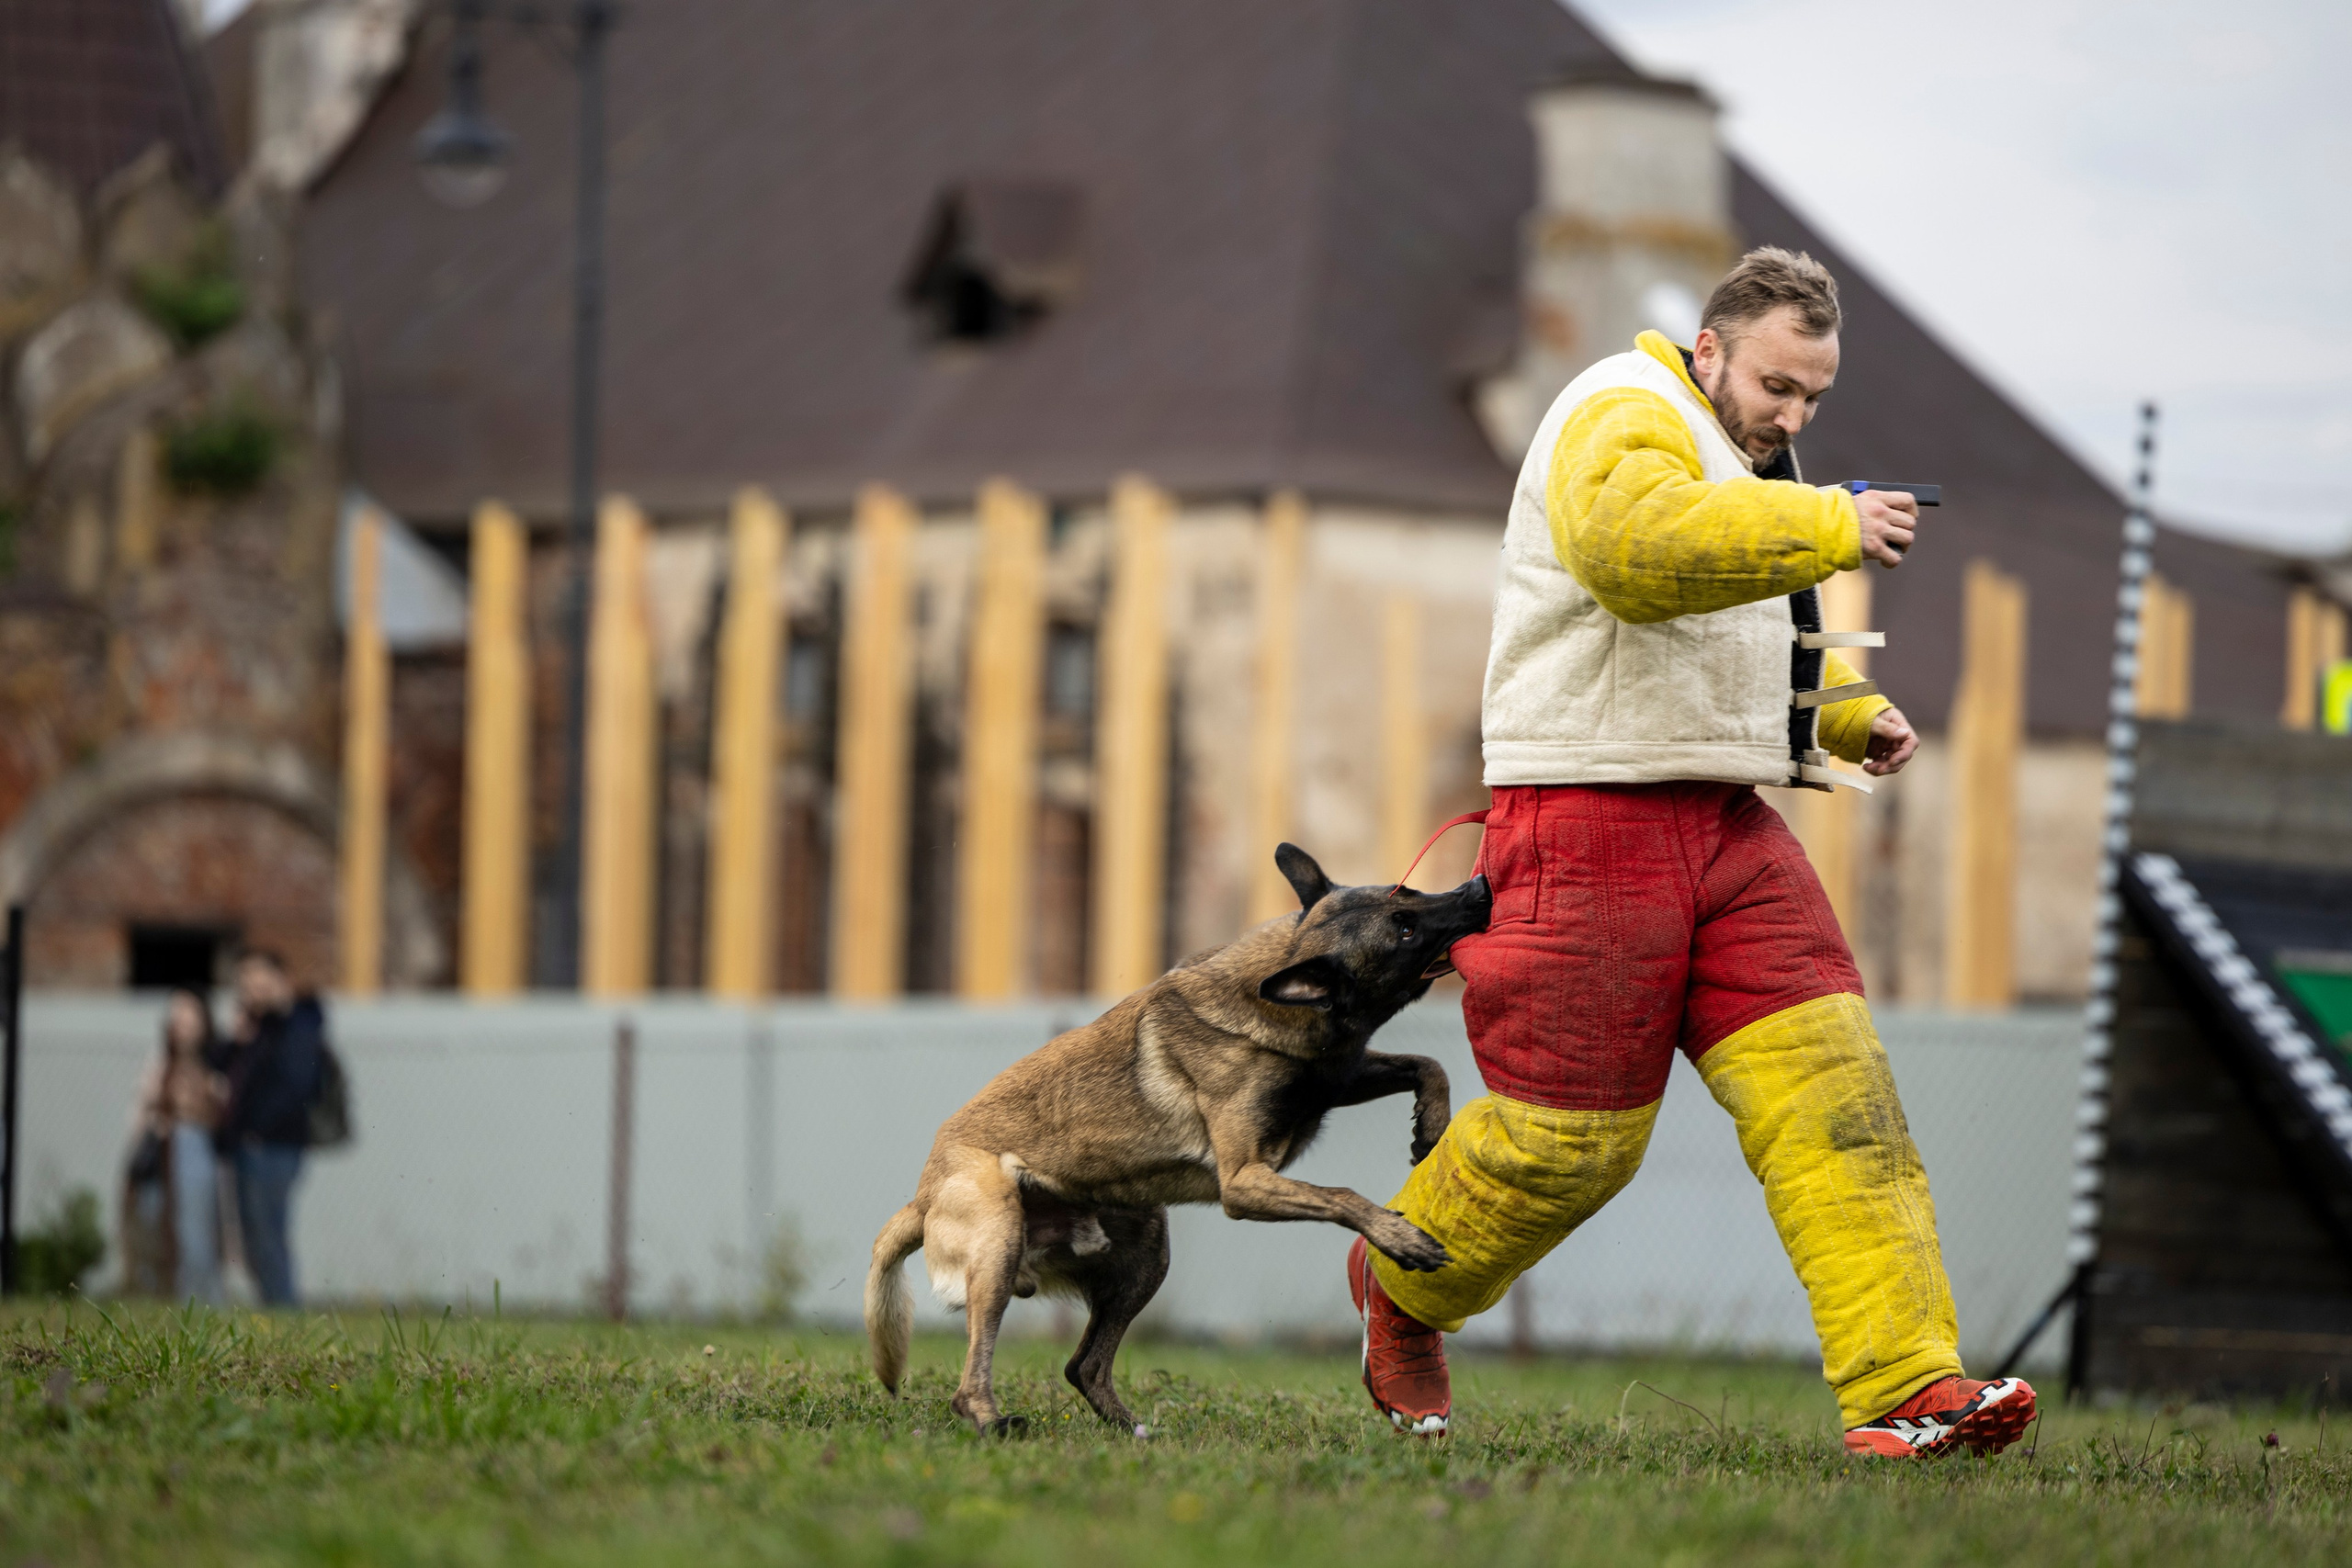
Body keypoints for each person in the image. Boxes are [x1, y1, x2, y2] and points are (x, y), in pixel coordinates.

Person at [1349, 248, 2037, 1459]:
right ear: (1707, 349)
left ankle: (1906, 1388)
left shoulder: (1750, 459)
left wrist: (1843, 714)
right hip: (1586, 818)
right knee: (1571, 1151)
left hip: (1728, 824)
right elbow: (1636, 555)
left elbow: (1736, 635)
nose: (1794, 417)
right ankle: (1399, 1285)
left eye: (1814, 397)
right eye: (1778, 386)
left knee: (1837, 1096)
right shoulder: (1617, 409)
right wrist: (1829, 523)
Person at [220, 948, 324, 1306]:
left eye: (257, 981)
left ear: (279, 980)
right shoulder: (255, 1029)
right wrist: (237, 1040)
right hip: (251, 1145)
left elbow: (298, 1085)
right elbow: (221, 1067)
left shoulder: (298, 1024)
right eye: (244, 984)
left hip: (274, 1146)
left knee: (268, 1233)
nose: (250, 990)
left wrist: (258, 1129)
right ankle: (273, 1309)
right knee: (253, 1236)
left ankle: (284, 1312)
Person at [130, 987, 232, 1303]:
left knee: (196, 1233)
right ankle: (157, 1297)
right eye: (177, 1020)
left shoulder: (216, 1065)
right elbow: (141, 1112)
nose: (182, 1027)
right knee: (151, 1226)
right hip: (160, 1157)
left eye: (189, 1019)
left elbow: (223, 1111)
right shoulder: (160, 1065)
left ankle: (201, 1301)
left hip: (196, 1151)